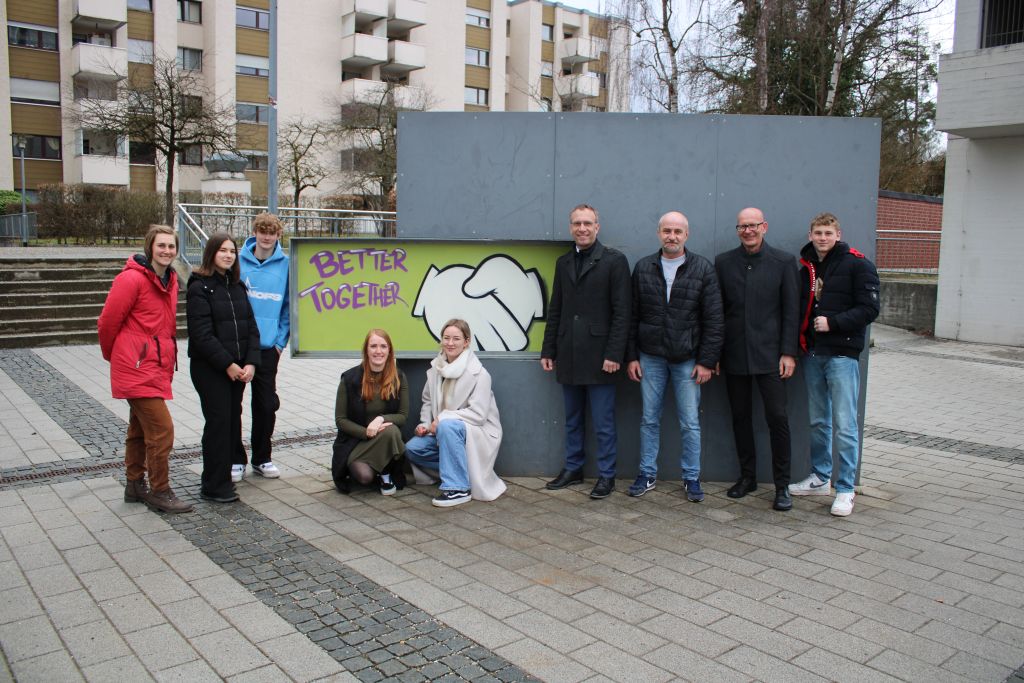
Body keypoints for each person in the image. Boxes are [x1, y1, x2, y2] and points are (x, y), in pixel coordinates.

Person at [625, 211, 723, 502]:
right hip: (650, 356)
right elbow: (631, 316)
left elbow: (714, 319)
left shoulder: (702, 269)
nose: (672, 236)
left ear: (686, 235)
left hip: (687, 359)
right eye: (667, 230)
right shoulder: (643, 268)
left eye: (678, 231)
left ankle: (691, 478)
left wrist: (706, 360)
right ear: (659, 233)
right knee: (649, 420)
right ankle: (646, 474)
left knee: (690, 422)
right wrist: (631, 357)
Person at [789, 212, 880, 517]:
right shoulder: (807, 267)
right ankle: (820, 477)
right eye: (818, 233)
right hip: (814, 353)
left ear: (838, 235)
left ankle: (844, 489)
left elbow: (870, 308)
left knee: (844, 425)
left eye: (828, 233)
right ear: (810, 234)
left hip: (842, 354)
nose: (823, 238)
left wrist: (835, 323)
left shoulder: (858, 264)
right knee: (818, 420)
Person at [98, 225, 192, 514]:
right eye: (161, 245)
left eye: (171, 246)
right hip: (136, 366)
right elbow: (107, 322)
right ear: (150, 247)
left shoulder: (171, 280)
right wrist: (118, 357)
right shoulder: (132, 279)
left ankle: (135, 484)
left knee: (139, 429)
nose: (166, 251)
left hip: (155, 366)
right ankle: (159, 490)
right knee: (162, 430)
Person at [541, 204, 631, 499]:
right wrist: (549, 348)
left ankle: (607, 476)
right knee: (572, 419)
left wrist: (614, 354)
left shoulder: (614, 261)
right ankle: (573, 468)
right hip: (568, 353)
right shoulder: (563, 263)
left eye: (587, 223)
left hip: (600, 357)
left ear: (597, 226)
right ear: (571, 227)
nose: (582, 228)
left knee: (603, 423)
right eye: (577, 223)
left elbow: (622, 312)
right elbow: (556, 309)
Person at [715, 207, 800, 511]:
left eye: (753, 225)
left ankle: (782, 486)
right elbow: (718, 312)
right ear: (737, 230)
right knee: (740, 418)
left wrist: (789, 352)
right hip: (734, 355)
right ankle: (747, 477)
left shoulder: (783, 262)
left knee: (777, 419)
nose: (748, 231)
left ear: (764, 226)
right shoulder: (724, 263)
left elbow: (792, 312)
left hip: (771, 357)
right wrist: (714, 354)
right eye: (742, 227)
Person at [186, 232, 261, 504]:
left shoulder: (237, 286)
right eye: (222, 250)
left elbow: (251, 328)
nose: (228, 255)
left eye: (232, 251)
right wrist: (228, 365)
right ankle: (214, 484)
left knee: (231, 422)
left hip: (237, 370)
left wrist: (251, 362)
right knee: (218, 424)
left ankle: (224, 477)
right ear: (211, 253)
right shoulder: (199, 287)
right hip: (211, 370)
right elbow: (201, 334)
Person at [405, 319, 505, 507]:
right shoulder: (436, 369)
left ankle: (457, 488)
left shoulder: (480, 374)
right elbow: (427, 400)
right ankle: (459, 471)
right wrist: (425, 424)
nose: (450, 343)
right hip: (442, 431)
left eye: (456, 339)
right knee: (413, 449)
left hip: (476, 432)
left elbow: (478, 414)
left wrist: (442, 418)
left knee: (448, 425)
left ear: (466, 342)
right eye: (446, 338)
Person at [236, 212, 290, 482]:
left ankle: (262, 458)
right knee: (233, 405)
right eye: (262, 231)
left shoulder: (286, 265)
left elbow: (289, 308)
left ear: (278, 235)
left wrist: (280, 342)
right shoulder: (238, 262)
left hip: (268, 347)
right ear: (255, 232)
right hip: (238, 346)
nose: (267, 237)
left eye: (272, 232)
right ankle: (236, 459)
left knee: (266, 404)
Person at [332, 329, 408, 495]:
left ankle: (386, 473)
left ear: (389, 350)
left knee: (392, 430)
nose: (378, 351)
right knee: (364, 477)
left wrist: (380, 419)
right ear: (366, 350)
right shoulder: (349, 378)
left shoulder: (399, 377)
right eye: (373, 346)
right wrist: (365, 432)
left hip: (384, 437)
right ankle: (374, 470)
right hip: (356, 442)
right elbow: (341, 420)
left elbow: (402, 416)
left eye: (383, 346)